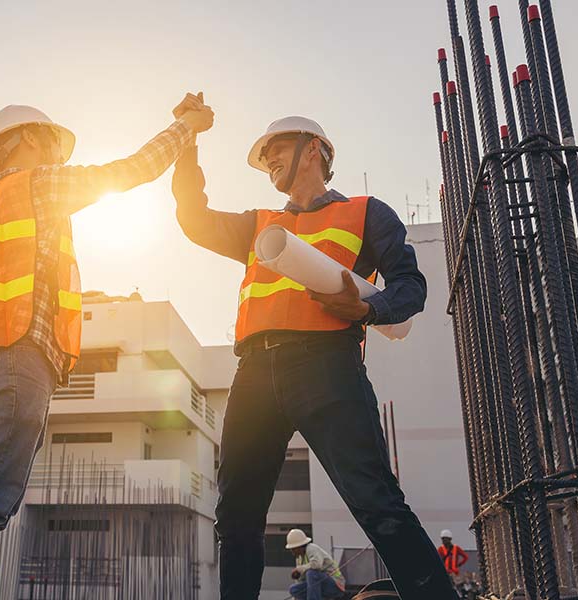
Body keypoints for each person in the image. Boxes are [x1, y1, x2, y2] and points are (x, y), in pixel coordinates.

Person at [0, 97, 214, 600]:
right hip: (16, 357)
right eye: (53, 144)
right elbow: (131, 171)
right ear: (29, 139)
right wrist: (184, 128)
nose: (59, 156)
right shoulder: (38, 185)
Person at [171, 109, 458, 599]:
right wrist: (188, 142)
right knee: (236, 516)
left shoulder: (367, 212)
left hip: (327, 365)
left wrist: (368, 309)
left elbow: (412, 286)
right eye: (264, 157)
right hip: (255, 372)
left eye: (275, 149)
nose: (268, 162)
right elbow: (193, 220)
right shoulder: (259, 224)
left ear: (313, 150)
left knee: (376, 501)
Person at [285, 529, 344, 600]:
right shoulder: (299, 559)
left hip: (335, 585)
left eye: (293, 549)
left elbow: (317, 565)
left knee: (311, 573)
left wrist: (300, 569)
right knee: (294, 589)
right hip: (320, 588)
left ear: (299, 547)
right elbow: (301, 581)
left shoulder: (311, 548)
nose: (292, 552)